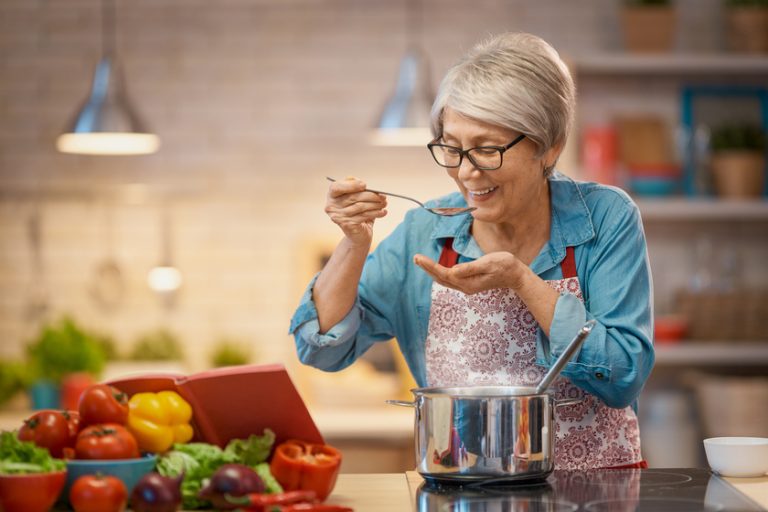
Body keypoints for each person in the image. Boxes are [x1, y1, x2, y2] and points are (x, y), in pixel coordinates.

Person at [289, 32, 654, 470]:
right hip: (459, 488)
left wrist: (521, 280)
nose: (465, 172)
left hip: (598, 491)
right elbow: (320, 350)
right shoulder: (425, 232)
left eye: (486, 149)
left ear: (549, 146)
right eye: (452, 148)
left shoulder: (605, 218)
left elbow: (622, 376)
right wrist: (354, 241)